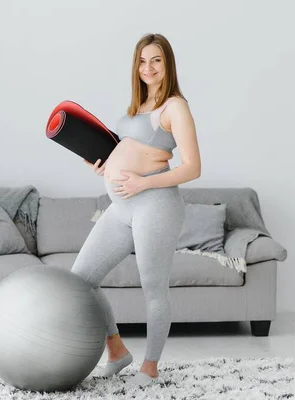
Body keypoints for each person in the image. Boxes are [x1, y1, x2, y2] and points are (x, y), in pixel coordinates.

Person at [72, 33, 201, 386]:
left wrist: (143, 182)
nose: (149, 68)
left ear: (167, 64)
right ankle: (116, 349)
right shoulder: (135, 108)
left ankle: (151, 367)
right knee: (81, 279)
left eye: (156, 60)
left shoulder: (175, 107)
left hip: (156, 205)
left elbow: (192, 167)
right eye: (143, 61)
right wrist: (102, 166)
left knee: (153, 287)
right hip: (121, 208)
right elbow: (122, 152)